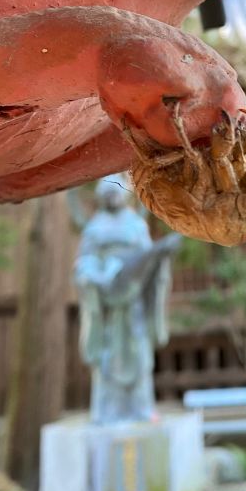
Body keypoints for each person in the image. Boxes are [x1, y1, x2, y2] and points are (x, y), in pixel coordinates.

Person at [74, 174, 181, 423]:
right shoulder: (94, 229)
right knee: (107, 356)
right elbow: (84, 263)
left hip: (135, 303)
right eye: (107, 192)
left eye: (116, 191)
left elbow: (146, 261)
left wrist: (158, 261)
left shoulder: (136, 226)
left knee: (140, 354)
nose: (112, 196)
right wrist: (95, 277)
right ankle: (107, 410)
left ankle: (141, 407)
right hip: (107, 306)